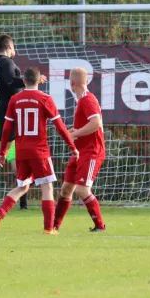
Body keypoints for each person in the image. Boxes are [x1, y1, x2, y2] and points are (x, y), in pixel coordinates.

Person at [0, 67, 78, 234]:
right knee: (47, 187)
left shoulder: (15, 99)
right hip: (39, 151)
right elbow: (60, 127)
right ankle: (49, 229)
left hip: (21, 151)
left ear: (24, 80)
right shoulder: (45, 98)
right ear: (38, 81)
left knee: (22, 187)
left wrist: (3, 152)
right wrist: (72, 147)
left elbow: (6, 128)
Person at [0, 35, 46, 207]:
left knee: (11, 149)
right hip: (12, 109)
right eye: (14, 47)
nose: (14, 51)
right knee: (4, 151)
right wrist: (32, 81)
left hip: (5, 109)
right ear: (9, 46)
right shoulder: (7, 63)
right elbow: (10, 82)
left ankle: (20, 198)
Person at [53, 68, 106, 232]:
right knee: (66, 189)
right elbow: (87, 125)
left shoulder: (87, 100)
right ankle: (54, 225)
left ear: (71, 83)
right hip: (80, 152)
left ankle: (100, 226)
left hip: (92, 151)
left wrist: (75, 133)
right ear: (87, 81)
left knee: (83, 190)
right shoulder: (84, 100)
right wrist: (73, 132)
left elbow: (96, 123)